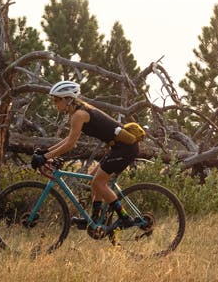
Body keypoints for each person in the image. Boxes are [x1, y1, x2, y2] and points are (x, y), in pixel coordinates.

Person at [34, 80, 140, 230]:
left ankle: (125, 218)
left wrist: (44, 158)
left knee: (98, 183)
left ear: (68, 99)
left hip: (125, 149)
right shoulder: (78, 112)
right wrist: (46, 152)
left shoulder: (79, 114)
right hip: (118, 148)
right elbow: (69, 139)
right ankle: (95, 221)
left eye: (57, 99)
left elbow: (71, 144)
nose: (54, 103)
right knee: (93, 179)